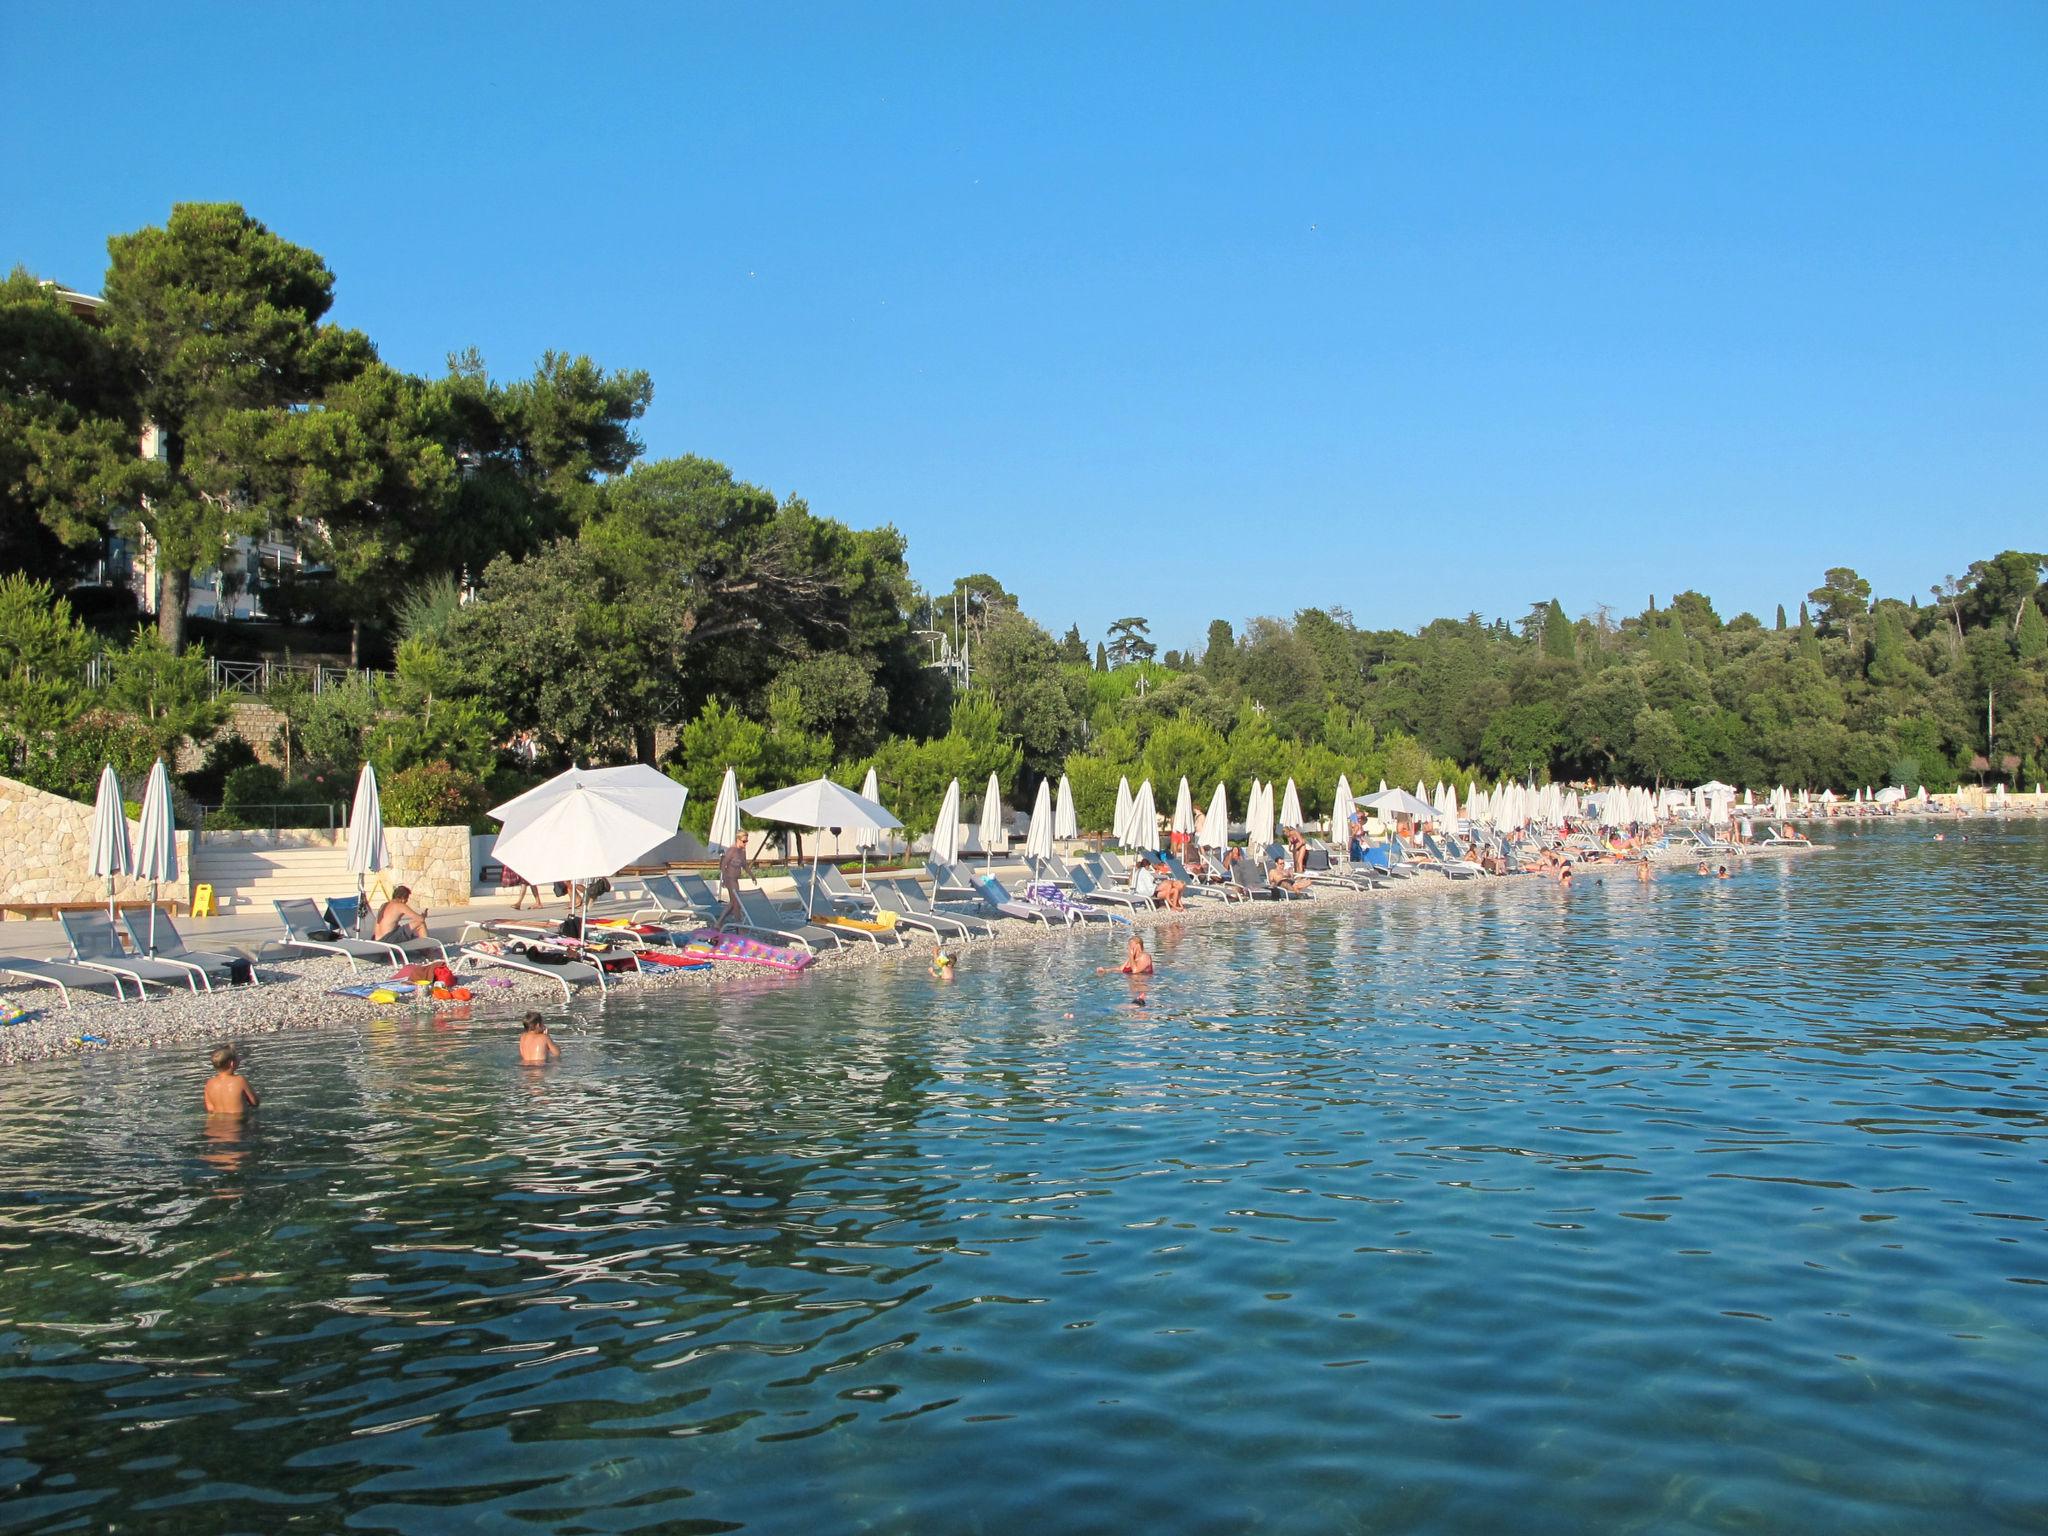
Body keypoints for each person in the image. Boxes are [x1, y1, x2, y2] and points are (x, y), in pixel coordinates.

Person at [203, 1044, 259, 1115]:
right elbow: (255, 1103)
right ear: (232, 1063)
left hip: (216, 1123)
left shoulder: (209, 1083)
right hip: (239, 1122)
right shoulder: (240, 1080)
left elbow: (210, 1109)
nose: (240, 1058)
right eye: (238, 1057)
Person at [716, 837, 752, 928]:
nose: (745, 843)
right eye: (744, 841)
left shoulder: (742, 851)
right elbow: (723, 865)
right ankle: (737, 925)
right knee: (735, 902)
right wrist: (724, 878)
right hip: (729, 878)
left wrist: (752, 876)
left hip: (735, 879)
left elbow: (744, 865)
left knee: (734, 903)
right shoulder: (732, 850)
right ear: (738, 840)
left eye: (747, 841)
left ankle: (721, 923)